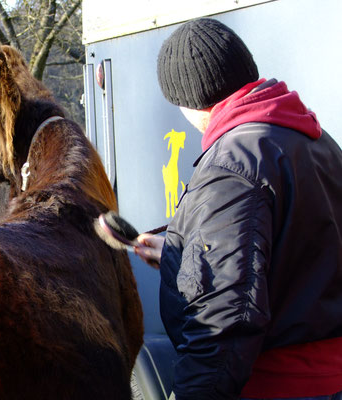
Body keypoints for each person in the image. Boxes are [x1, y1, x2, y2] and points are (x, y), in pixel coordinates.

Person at [134, 18, 342, 400]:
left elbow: (224, 320)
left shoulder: (231, 164)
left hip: (275, 387)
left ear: (186, 100)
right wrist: (180, 256)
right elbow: (290, 255)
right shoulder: (312, 137)